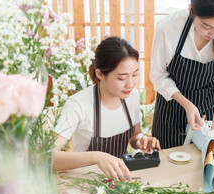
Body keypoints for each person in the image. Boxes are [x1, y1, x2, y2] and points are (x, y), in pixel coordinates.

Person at [150, 0, 214, 149]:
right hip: (170, 111)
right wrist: (186, 104)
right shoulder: (168, 27)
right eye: (206, 26)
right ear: (191, 10)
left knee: (201, 168)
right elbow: (158, 75)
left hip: (206, 114)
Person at [52, 36, 160, 181]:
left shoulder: (131, 96)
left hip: (120, 177)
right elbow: (49, 157)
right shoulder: (78, 104)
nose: (130, 84)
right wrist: (97, 157)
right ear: (100, 74)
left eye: (134, 75)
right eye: (122, 78)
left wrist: (141, 140)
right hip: (83, 179)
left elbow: (135, 134)